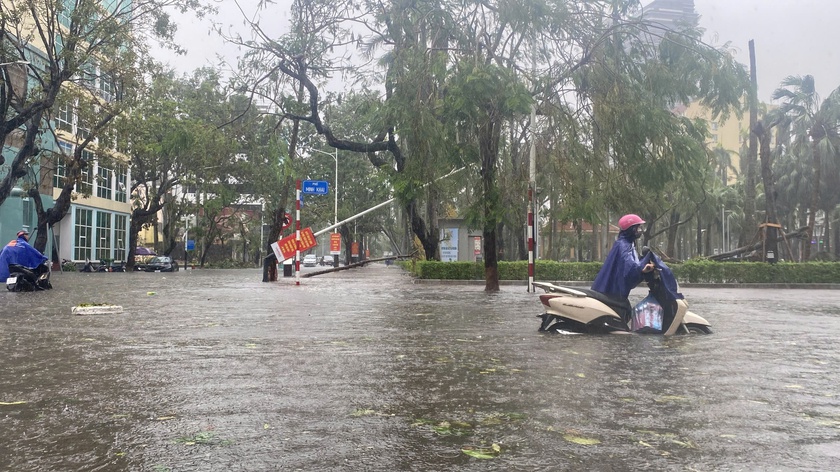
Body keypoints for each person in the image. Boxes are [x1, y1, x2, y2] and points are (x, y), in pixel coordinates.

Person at [590, 214, 655, 322]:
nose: (640, 231)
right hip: (610, 292)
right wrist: (643, 267)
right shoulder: (624, 246)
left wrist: (643, 263)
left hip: (610, 291)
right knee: (624, 311)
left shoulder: (626, 244)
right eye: (637, 228)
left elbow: (632, 264)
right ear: (631, 229)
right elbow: (630, 268)